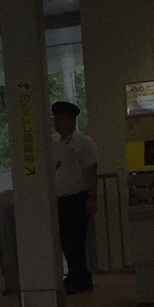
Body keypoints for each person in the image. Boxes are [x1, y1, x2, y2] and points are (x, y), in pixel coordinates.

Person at [52, 100, 99, 294]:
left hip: (77, 198)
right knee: (65, 241)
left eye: (60, 118)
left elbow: (91, 170)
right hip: (61, 200)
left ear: (70, 120)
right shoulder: (57, 145)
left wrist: (92, 196)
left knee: (76, 240)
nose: (56, 123)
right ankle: (75, 275)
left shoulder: (83, 142)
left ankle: (80, 278)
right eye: (55, 119)